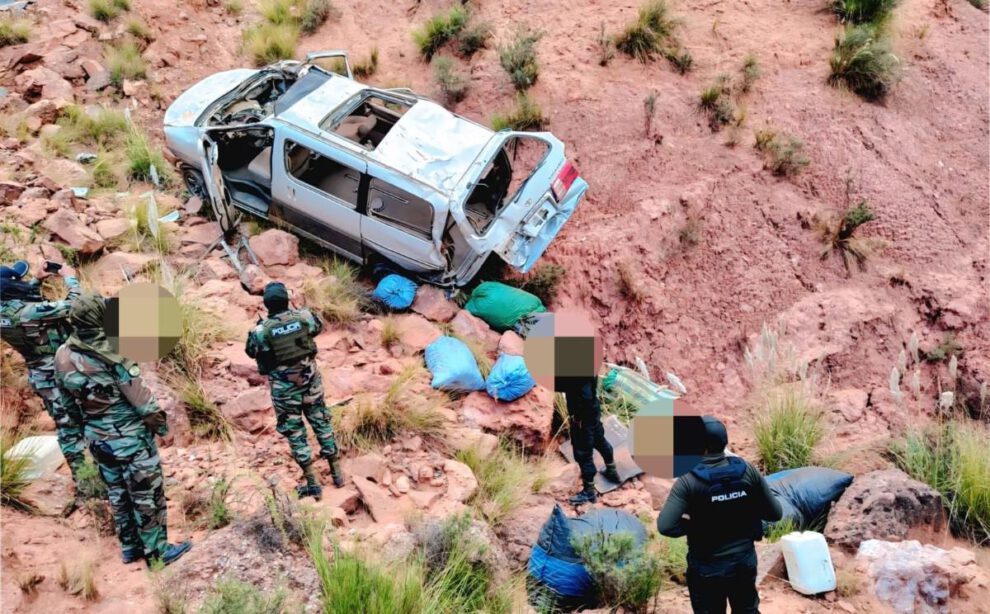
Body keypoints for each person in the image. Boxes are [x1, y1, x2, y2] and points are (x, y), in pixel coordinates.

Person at [54, 293, 191, 567]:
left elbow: (66, 404)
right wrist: (162, 428)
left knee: (117, 492)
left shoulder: (62, 354)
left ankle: (130, 548)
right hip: (130, 438)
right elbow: (141, 401)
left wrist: (87, 429)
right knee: (147, 494)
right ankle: (157, 552)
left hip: (97, 437)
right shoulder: (116, 350)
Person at [657, 416, 783, 614]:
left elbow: (666, 526)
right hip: (744, 561)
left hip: (707, 567)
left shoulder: (688, 481)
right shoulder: (747, 470)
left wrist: (697, 525)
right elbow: (775, 514)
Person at [245, 281, 344, 500]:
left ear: (267, 304)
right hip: (311, 383)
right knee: (321, 422)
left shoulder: (261, 331)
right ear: (286, 300)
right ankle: (337, 473)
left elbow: (251, 352)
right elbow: (317, 327)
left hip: (285, 392)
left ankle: (313, 483)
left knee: (295, 432)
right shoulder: (304, 317)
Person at [0, 260, 87, 499]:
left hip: (41, 375)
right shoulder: (30, 312)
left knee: (66, 426)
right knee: (78, 427)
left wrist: (37, 281)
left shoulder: (6, 313)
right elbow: (74, 304)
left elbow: (22, 302)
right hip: (64, 372)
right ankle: (89, 487)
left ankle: (87, 483)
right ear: (12, 288)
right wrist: (70, 278)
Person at [559, 375, 620, 505]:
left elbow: (584, 395)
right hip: (593, 410)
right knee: (599, 440)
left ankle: (589, 492)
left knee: (583, 454)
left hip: (583, 418)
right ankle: (612, 470)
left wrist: (579, 418)